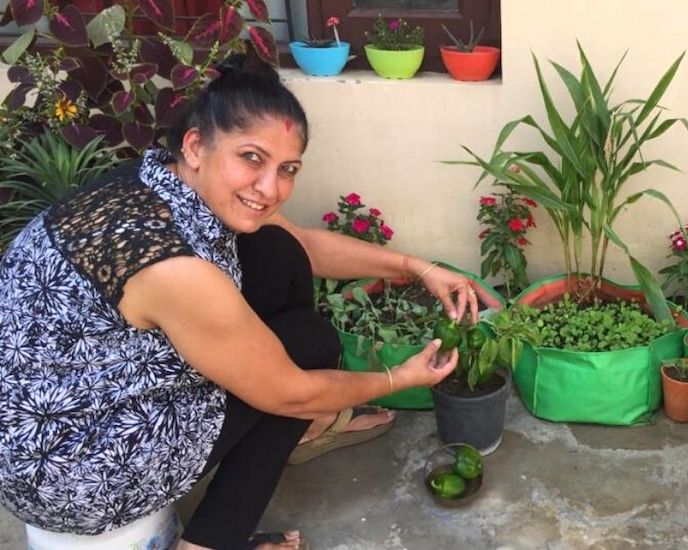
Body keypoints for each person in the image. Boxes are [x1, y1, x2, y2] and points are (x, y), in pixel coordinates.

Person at [0, 55, 491, 549]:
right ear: (196, 146)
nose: (270, 187)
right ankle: (208, 542)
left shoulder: (156, 181)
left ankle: (299, 434)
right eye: (251, 158)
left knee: (276, 255)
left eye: (287, 169)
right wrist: (396, 379)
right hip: (67, 473)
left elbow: (305, 246)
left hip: (61, 397)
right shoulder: (174, 268)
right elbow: (288, 391)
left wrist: (418, 268)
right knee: (305, 354)